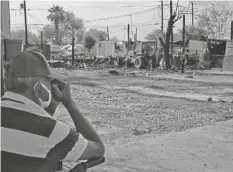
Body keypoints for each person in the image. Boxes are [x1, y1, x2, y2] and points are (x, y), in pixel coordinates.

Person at [1, 51, 105, 172]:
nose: (52, 87)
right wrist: (69, 103)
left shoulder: (45, 131)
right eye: (49, 82)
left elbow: (26, 126)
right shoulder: (53, 132)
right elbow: (98, 149)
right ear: (38, 87)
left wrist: (53, 105)